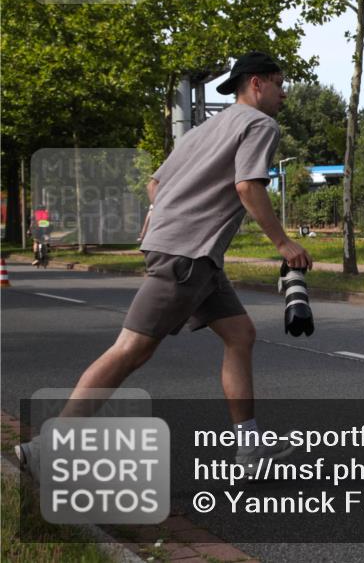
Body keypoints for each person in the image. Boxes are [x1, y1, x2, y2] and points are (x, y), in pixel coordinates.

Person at [17, 51, 312, 475]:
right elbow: (248, 186)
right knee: (130, 350)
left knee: (240, 334)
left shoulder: (202, 131)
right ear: (257, 84)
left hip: (192, 254)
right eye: (280, 83)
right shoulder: (260, 124)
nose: (285, 93)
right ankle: (51, 447)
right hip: (187, 254)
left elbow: (156, 185)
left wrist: (175, 218)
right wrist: (283, 243)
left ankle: (249, 448)